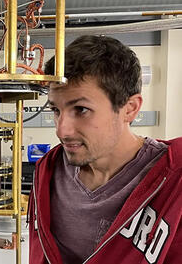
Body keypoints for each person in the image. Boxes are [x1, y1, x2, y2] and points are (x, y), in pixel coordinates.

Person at [28, 35, 182, 264]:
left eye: (81, 109)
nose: (62, 130)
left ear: (130, 109)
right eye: (56, 110)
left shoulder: (175, 181)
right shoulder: (47, 171)